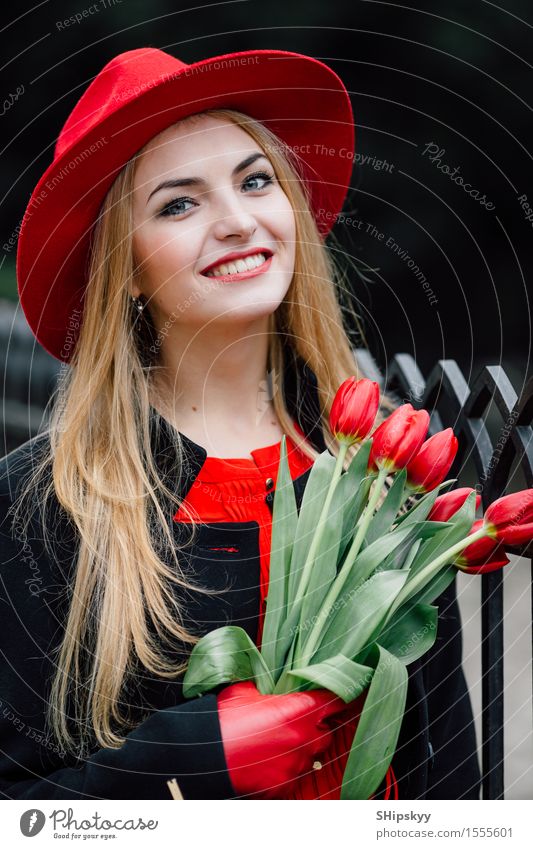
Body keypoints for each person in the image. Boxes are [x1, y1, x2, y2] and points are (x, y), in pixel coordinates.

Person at [0, 47, 480, 800]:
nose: (234, 220)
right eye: (178, 204)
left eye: (255, 181)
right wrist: (190, 761)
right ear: (123, 269)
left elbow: (446, 775)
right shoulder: (43, 501)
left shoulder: (384, 470)